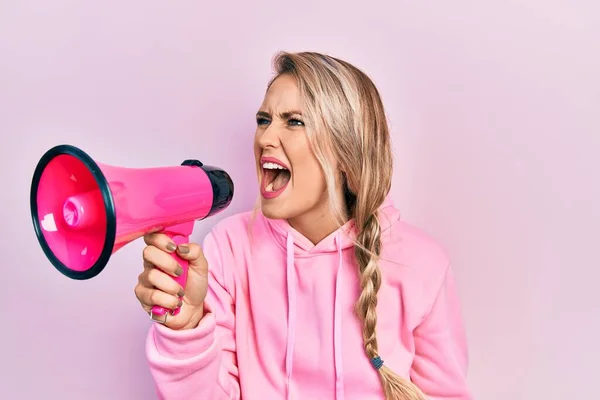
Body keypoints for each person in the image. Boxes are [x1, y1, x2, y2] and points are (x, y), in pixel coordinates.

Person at [134, 51, 472, 400]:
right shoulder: (229, 247)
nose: (265, 138)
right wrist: (185, 328)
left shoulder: (421, 263)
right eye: (263, 120)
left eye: (294, 122)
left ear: (347, 151)